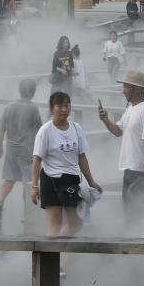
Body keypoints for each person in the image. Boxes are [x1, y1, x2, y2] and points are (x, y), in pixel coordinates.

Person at [30, 91, 102, 236]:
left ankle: (61, 246)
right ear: (52, 109)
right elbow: (37, 159)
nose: (64, 110)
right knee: (55, 224)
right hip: (51, 180)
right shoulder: (45, 131)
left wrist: (91, 181)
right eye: (59, 106)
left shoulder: (76, 128)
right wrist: (34, 186)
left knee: (76, 224)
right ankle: (54, 249)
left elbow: (82, 157)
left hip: (71, 180)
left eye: (67, 106)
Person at [98, 70, 144, 214]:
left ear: (136, 89)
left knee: (139, 212)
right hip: (128, 168)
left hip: (140, 170)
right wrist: (105, 119)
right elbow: (118, 131)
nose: (123, 91)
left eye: (126, 87)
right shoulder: (131, 108)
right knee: (129, 210)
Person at [0, 79, 43, 221]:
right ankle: (27, 215)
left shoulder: (9, 106)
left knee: (9, 179)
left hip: (11, 151)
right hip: (27, 152)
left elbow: (1, 129)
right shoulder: (33, 108)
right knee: (29, 183)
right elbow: (40, 132)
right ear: (32, 92)